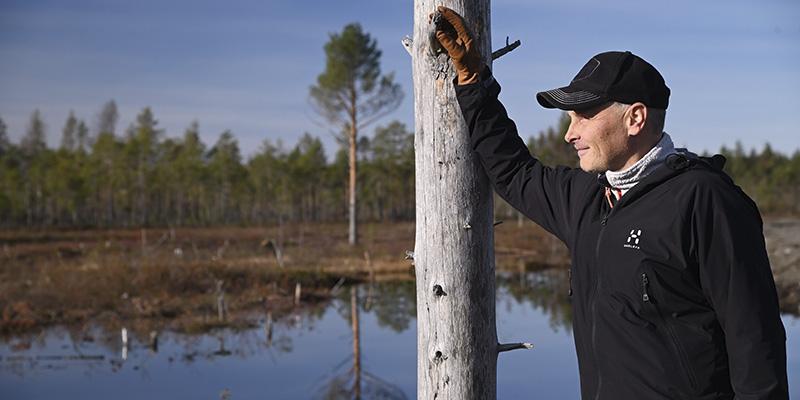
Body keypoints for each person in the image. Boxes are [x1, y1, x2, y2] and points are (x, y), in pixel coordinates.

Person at [432, 6, 789, 400]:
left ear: (635, 118)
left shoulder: (704, 200)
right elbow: (514, 171)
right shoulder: (585, 198)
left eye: (583, 116)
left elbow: (756, 344)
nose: (571, 134)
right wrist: (472, 81)